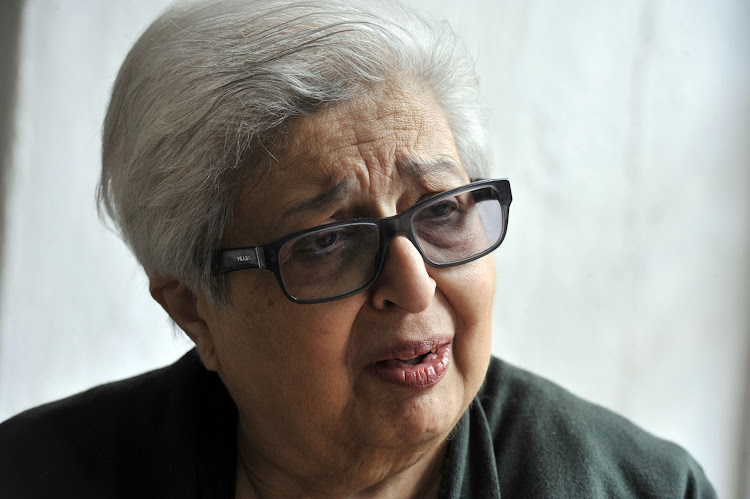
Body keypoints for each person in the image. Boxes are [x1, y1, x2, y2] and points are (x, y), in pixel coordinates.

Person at [0, 0, 716, 497]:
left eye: (441, 210)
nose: (415, 285)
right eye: (330, 240)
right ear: (195, 310)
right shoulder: (31, 477)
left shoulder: (642, 487)